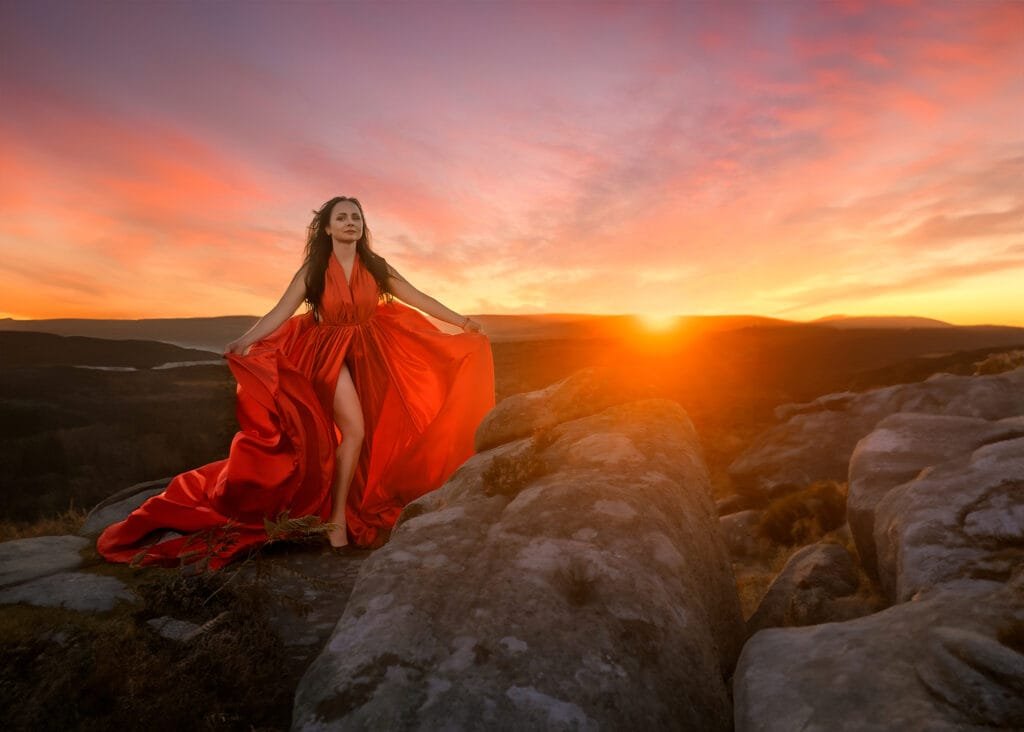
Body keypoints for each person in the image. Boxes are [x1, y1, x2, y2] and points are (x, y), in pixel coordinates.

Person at [96, 196, 495, 570]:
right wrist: (246, 340)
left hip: (374, 350)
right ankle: (336, 521)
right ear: (327, 228)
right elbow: (281, 310)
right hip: (327, 353)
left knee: (374, 431)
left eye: (356, 217)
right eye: (342, 217)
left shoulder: (376, 266)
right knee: (353, 429)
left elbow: (416, 295)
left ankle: (352, 502)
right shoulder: (314, 270)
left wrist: (461, 322)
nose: (350, 223)